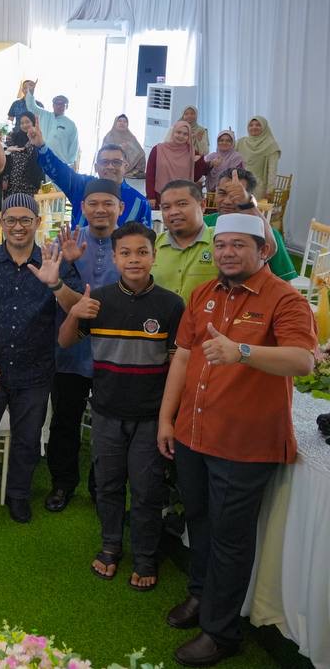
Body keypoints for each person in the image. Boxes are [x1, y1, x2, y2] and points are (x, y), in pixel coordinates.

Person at [157, 213, 315, 666]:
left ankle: (221, 631)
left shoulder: (284, 299)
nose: (226, 252)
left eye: (238, 245)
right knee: (200, 523)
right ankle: (201, 597)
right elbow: (183, 359)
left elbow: (303, 361)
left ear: (264, 250)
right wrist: (167, 420)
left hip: (243, 446)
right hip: (193, 433)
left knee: (230, 539)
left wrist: (241, 351)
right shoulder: (204, 293)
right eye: (221, 244)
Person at [60, 221, 183, 590]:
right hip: (106, 412)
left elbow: (178, 362)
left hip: (149, 416)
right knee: (109, 485)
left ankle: (145, 556)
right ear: (114, 258)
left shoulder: (171, 304)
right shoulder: (98, 300)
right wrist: (74, 312)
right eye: (125, 253)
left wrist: (167, 417)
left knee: (147, 491)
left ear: (153, 256)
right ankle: (111, 545)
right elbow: (66, 342)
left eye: (142, 252)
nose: (134, 259)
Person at [0, 195, 83, 527]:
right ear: (1, 222)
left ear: (37, 222)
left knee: (28, 439)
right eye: (11, 220)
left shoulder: (53, 260)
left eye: (25, 220)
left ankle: (18, 495)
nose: (18, 226)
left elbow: (76, 306)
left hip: (36, 369)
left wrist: (55, 282)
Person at [45, 179, 124, 513]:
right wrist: (69, 262)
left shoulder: (132, 243)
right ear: (83, 208)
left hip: (117, 353)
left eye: (108, 203)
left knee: (111, 427)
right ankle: (62, 484)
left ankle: (100, 488)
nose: (100, 209)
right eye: (93, 203)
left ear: (119, 207)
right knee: (65, 419)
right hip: (72, 351)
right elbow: (57, 293)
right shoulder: (68, 243)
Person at [28, 122, 152, 228]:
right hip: (80, 254)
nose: (110, 166)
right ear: (96, 167)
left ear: (126, 166)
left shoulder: (140, 203)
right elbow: (60, 171)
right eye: (105, 162)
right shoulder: (82, 186)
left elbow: (144, 242)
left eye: (116, 162)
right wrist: (41, 145)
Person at [205, 169, 298, 282]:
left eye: (236, 195)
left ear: (249, 197)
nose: (227, 201)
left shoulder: (267, 235)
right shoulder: (204, 224)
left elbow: (285, 282)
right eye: (222, 193)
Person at [152, 181, 217, 301]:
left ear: (202, 205)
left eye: (182, 204)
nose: (173, 212)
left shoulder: (220, 242)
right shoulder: (152, 246)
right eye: (166, 207)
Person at [146, 120, 208, 209]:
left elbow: (195, 177)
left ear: (189, 136)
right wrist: (151, 196)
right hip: (160, 196)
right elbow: (150, 175)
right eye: (178, 132)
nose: (181, 136)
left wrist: (199, 161)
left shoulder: (191, 152)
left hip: (182, 197)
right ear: (173, 132)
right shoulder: (158, 149)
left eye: (185, 134)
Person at [234, 116, 281, 199]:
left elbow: (272, 170)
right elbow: (231, 159)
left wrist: (270, 190)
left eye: (258, 125)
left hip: (257, 188)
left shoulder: (271, 145)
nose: (254, 127)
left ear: (264, 127)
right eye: (251, 125)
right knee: (237, 211)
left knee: (253, 211)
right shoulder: (241, 142)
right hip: (239, 185)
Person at [1, 113, 44, 196]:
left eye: (27, 122)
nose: (24, 125)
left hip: (31, 182)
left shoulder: (38, 138)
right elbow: (6, 159)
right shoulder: (13, 137)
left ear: (33, 123)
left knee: (29, 207)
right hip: (13, 183)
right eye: (22, 123)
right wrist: (5, 178)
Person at [101, 114, 147, 178]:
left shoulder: (131, 138)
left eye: (125, 122)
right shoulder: (109, 137)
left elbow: (140, 153)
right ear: (115, 123)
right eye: (119, 121)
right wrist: (119, 148)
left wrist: (128, 146)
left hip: (130, 173)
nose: (122, 123)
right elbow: (103, 154)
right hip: (110, 170)